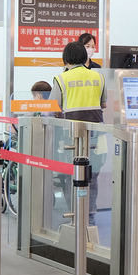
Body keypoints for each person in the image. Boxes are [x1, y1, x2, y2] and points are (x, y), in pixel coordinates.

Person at [51, 41, 107, 226]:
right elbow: (104, 104)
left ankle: (75, 216)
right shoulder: (98, 77)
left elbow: (53, 108)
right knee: (92, 177)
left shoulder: (61, 79)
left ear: (66, 59)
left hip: (70, 137)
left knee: (69, 177)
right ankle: (89, 217)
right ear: (84, 57)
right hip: (96, 136)